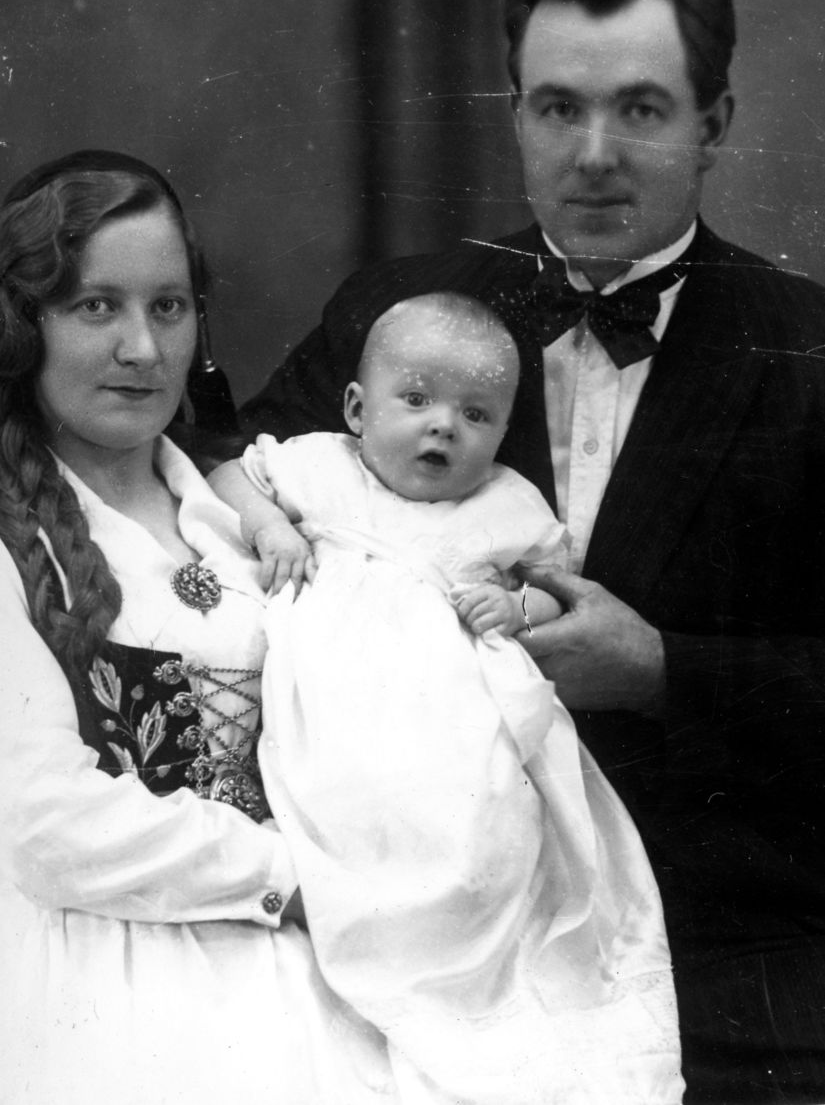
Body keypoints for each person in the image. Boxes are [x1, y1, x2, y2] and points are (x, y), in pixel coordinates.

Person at [238, 0, 825, 1105]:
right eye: (558, 108)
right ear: (514, 114)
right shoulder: (399, 316)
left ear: (715, 121)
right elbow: (227, 477)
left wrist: (664, 671)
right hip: (410, 928)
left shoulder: (808, 353)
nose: (593, 155)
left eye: (641, 110)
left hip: (728, 953)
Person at [0, 150, 405, 1105]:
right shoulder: (13, 540)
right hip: (105, 974)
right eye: (96, 306)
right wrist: (291, 876)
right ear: (22, 327)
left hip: (314, 967)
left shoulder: (252, 512)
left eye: (169, 306)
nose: (143, 347)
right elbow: (44, 819)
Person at [211, 291, 684, 1104]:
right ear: (356, 408)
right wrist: (270, 527)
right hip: (335, 711)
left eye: (475, 414)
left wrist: (517, 606)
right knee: (341, 818)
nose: (443, 428)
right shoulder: (319, 465)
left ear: (501, 433)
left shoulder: (503, 501)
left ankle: (471, 992)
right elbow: (229, 474)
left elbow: (553, 591)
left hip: (453, 724)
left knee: (484, 831)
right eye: (416, 399)